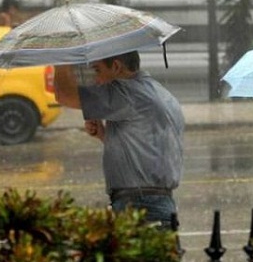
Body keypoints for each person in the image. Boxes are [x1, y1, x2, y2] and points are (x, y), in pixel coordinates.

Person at [54, 51, 185, 229]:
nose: (96, 80)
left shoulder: (128, 93)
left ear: (116, 66)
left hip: (140, 207)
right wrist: (104, 135)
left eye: (97, 70)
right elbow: (149, 151)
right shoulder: (160, 94)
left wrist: (61, 56)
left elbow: (64, 94)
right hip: (159, 206)